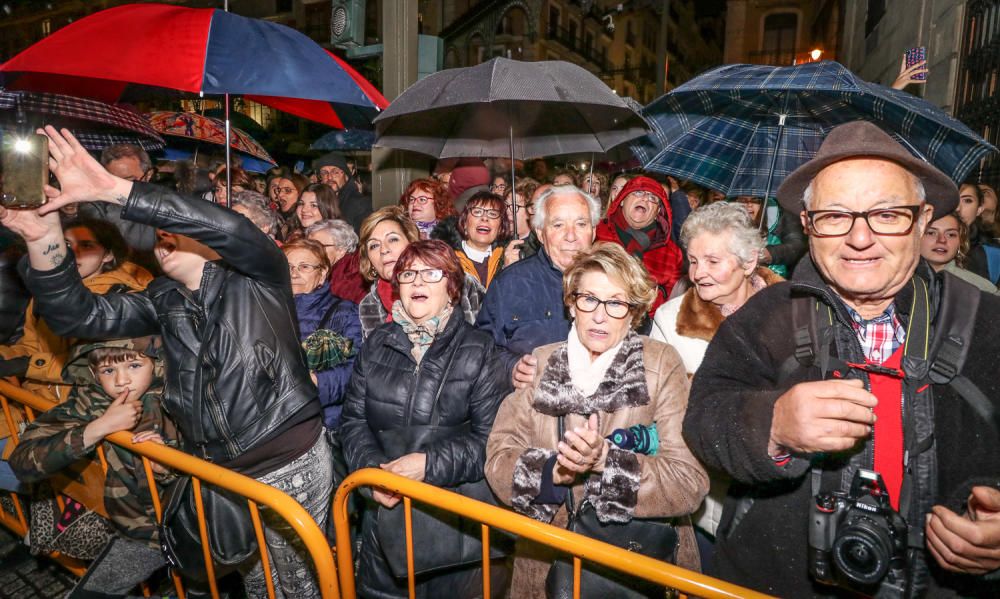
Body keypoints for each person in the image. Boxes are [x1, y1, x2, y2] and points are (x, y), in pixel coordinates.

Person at [2, 127, 334, 599]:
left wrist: (112, 190)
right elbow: (78, 313)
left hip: (286, 463)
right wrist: (42, 237)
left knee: (298, 586)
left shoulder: (260, 276)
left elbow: (233, 228)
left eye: (175, 229)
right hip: (217, 471)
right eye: (159, 235)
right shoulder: (163, 298)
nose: (163, 238)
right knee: (257, 585)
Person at [683, 121, 1000, 597]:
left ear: (922, 218)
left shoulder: (986, 322)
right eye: (835, 216)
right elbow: (703, 419)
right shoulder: (766, 315)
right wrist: (771, 424)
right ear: (808, 224)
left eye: (887, 214)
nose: (859, 238)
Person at [485, 242, 708, 597]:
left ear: (634, 312)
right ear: (571, 304)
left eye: (616, 303)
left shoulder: (661, 364)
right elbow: (499, 456)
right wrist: (553, 473)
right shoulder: (542, 362)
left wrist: (607, 463)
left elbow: (688, 481)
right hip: (546, 560)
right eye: (588, 299)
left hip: (633, 562)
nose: (600, 315)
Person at [340, 240, 508, 598]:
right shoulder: (376, 344)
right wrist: (372, 475)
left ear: (452, 286)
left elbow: (490, 440)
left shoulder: (479, 349)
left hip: (453, 527)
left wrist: (428, 465)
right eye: (408, 274)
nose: (418, 282)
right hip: (385, 519)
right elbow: (352, 422)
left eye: (432, 273)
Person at [649, 202, 782, 564]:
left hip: (778, 496)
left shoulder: (793, 312)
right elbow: (661, 413)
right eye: (692, 260)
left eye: (712, 261)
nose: (698, 273)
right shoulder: (670, 320)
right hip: (709, 497)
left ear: (749, 262)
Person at [10, 337, 178, 598]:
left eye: (134, 365)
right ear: (94, 373)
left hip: (189, 527)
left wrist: (167, 465)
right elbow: (22, 461)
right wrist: (99, 428)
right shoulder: (88, 402)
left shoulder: (182, 394)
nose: (122, 381)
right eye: (108, 370)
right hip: (139, 533)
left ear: (157, 364)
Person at [0, 219, 152, 403]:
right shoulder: (47, 294)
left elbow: (103, 364)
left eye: (87, 246)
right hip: (33, 402)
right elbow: (31, 345)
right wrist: (6, 356)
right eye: (66, 245)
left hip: (86, 408)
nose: (73, 253)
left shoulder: (122, 297)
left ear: (108, 255)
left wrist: (28, 365)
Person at [477, 185, 599, 389]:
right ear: (541, 234)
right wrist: (511, 367)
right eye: (558, 225)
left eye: (581, 224)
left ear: (593, 231)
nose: (571, 236)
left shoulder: (611, 283)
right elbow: (481, 348)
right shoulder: (510, 283)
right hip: (530, 410)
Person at [357, 206, 485, 338]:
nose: (384, 250)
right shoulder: (369, 306)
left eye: (393, 239)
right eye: (374, 245)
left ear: (412, 242)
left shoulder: (458, 282)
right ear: (370, 261)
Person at [284, 239, 362, 430]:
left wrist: (316, 382)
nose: (294, 273)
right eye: (288, 267)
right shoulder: (265, 309)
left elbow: (357, 370)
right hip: (273, 423)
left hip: (323, 422)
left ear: (322, 273)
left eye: (304, 267)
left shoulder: (344, 312)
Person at [595, 175, 684, 315]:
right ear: (622, 200)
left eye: (653, 198)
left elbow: (672, 306)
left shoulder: (671, 254)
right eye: (638, 192)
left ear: (657, 213)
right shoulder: (596, 233)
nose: (645, 199)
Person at [79, 144, 159, 271]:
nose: (119, 188)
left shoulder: (164, 207)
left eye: (129, 180)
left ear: (148, 175)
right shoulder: (95, 207)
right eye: (113, 181)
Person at [920, 212, 998, 293]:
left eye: (951, 234)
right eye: (931, 233)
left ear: (960, 241)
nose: (942, 240)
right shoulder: (906, 282)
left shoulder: (982, 289)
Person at [731, 195, 807, 277]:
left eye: (755, 200)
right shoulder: (727, 222)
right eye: (743, 200)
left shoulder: (783, 213)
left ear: (764, 203)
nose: (749, 204)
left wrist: (768, 253)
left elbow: (796, 245)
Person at [451, 191, 509, 289]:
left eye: (492, 213)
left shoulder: (508, 259)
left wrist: (509, 270)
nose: (485, 218)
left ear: (500, 228)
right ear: (464, 223)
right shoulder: (448, 260)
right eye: (477, 212)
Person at [306, 219, 367, 304]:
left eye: (317, 247)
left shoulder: (351, 278)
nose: (309, 252)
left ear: (341, 250)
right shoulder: (328, 272)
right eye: (306, 246)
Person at [315, 151, 371, 232]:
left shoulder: (361, 204)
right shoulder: (319, 202)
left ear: (346, 176)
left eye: (335, 172)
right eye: (324, 173)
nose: (330, 177)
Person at [502, 178, 542, 266]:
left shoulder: (540, 249)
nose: (508, 211)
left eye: (515, 206)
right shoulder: (498, 242)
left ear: (531, 210)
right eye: (506, 205)